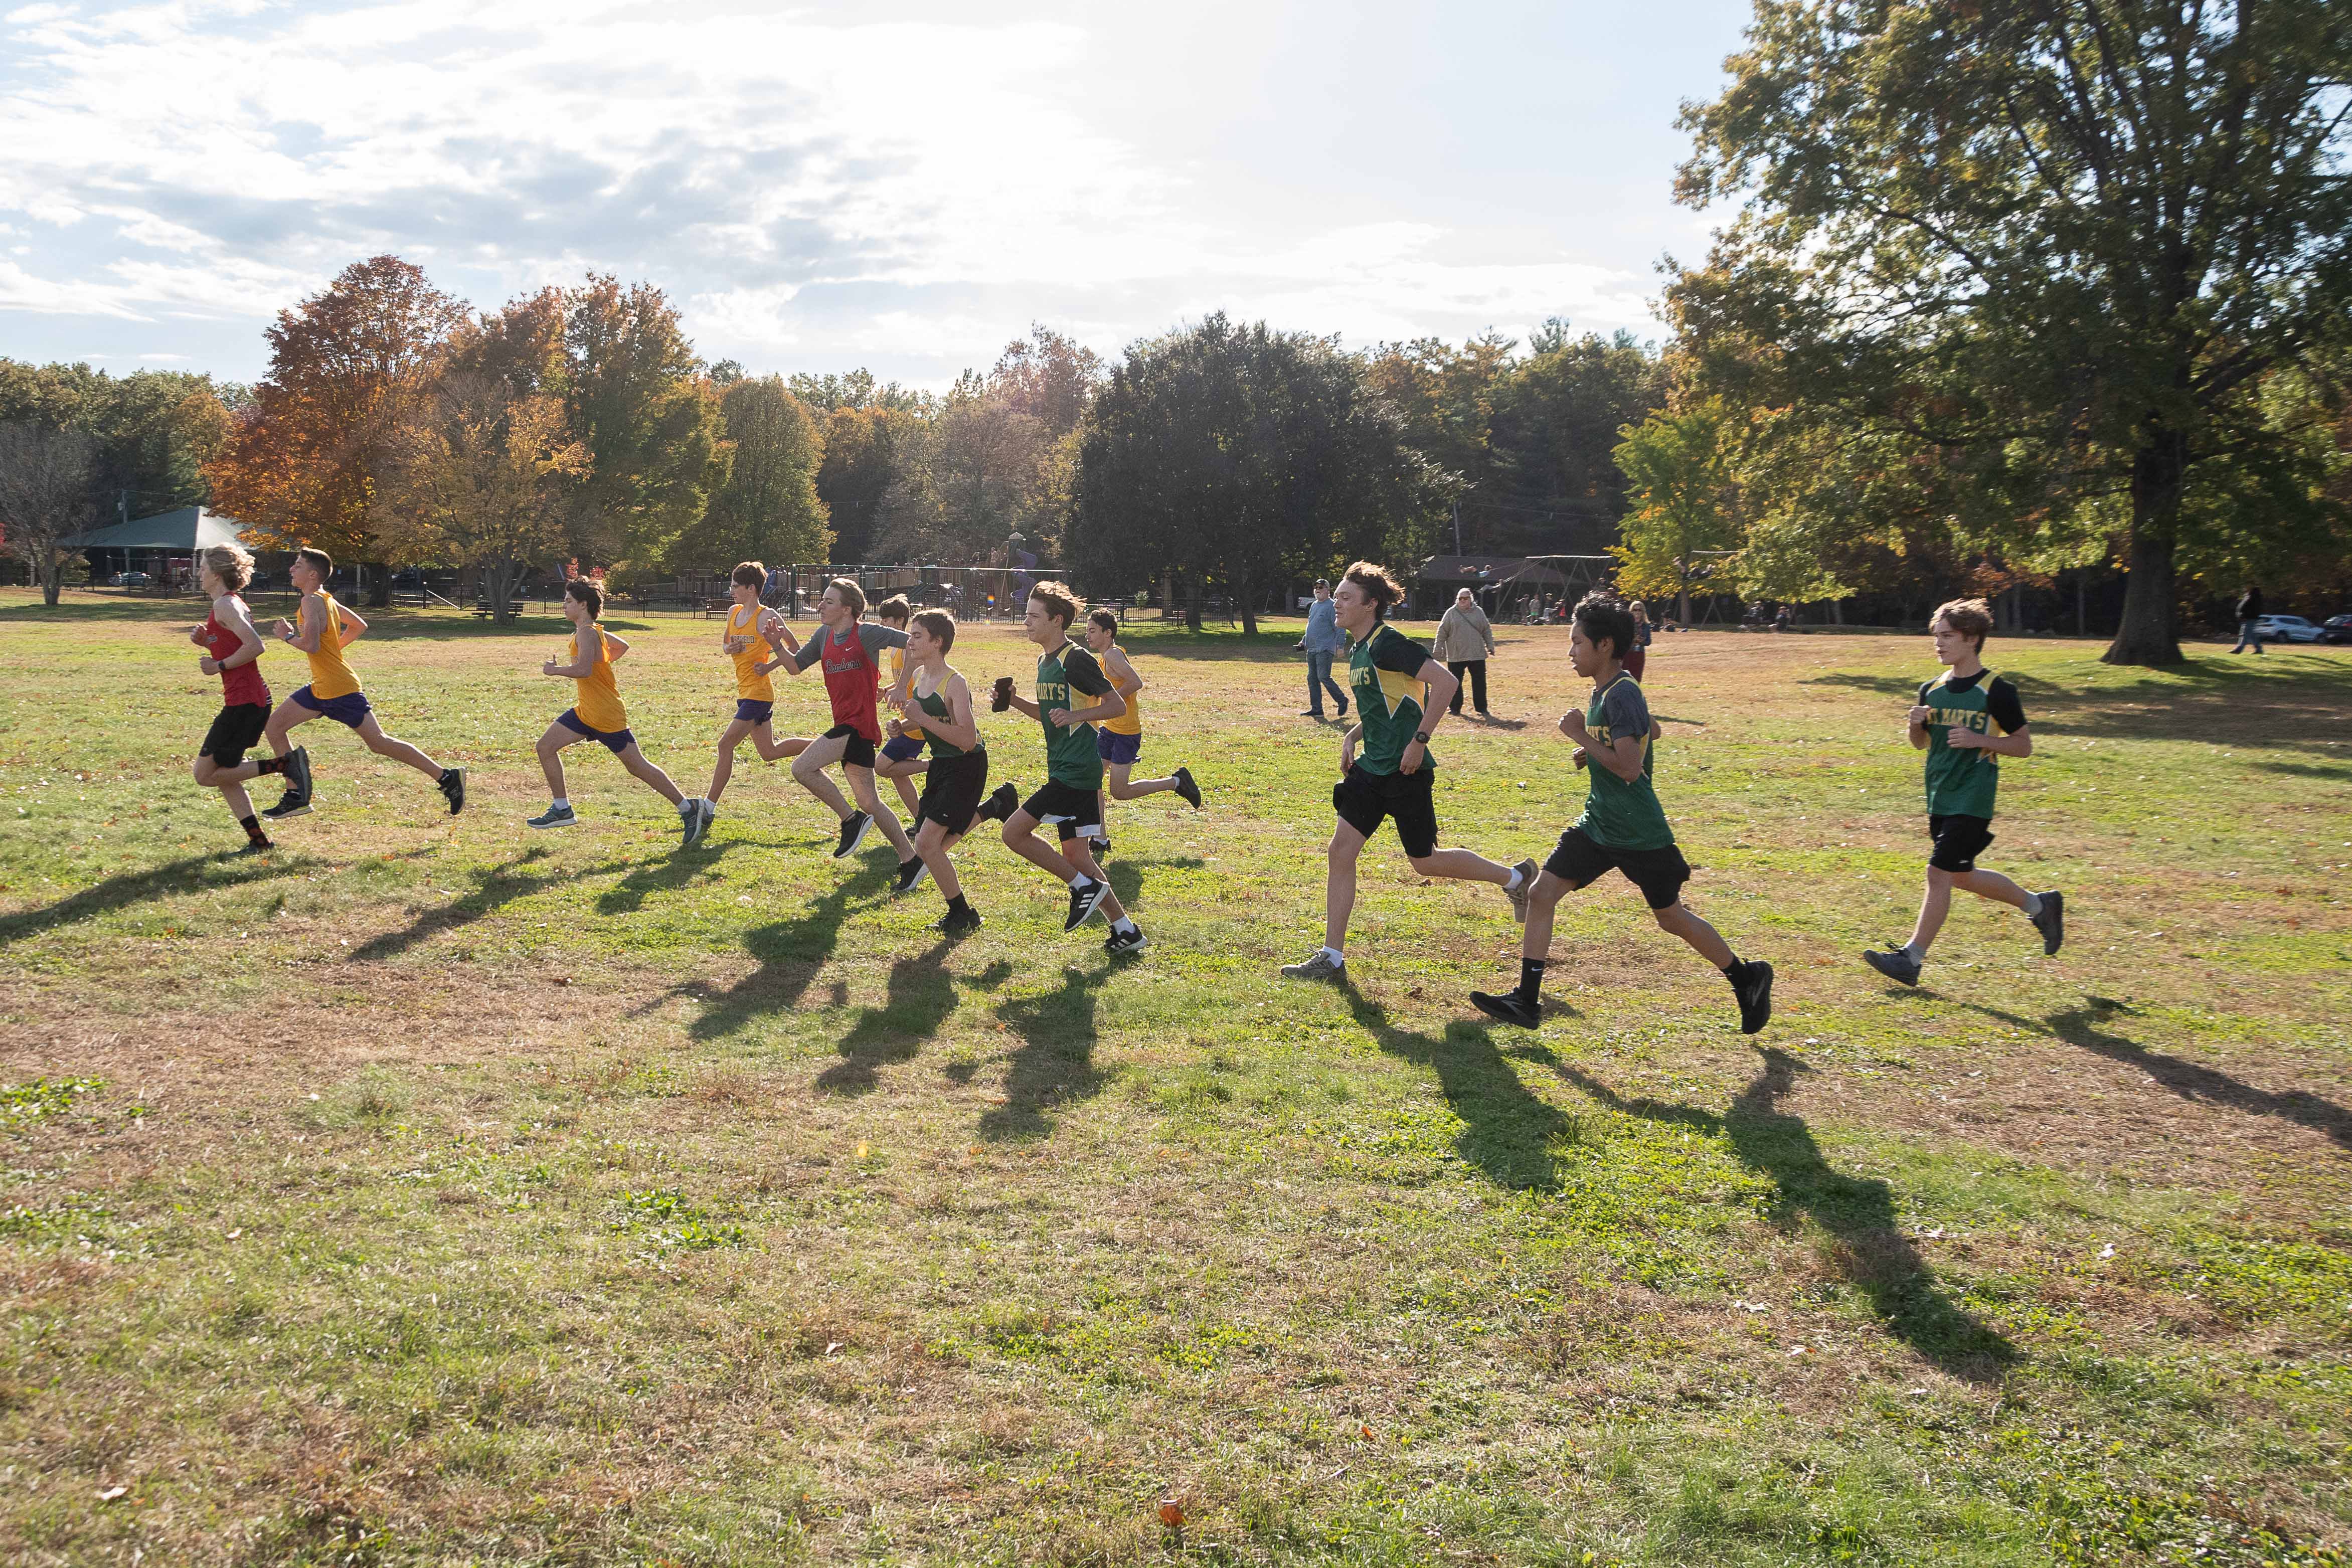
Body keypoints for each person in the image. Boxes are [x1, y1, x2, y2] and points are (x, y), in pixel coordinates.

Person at [1468, 592, 1774, 1032]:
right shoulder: (1610, 691)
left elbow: (1630, 767)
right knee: (1540, 892)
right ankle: (1527, 1001)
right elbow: (1652, 731)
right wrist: (1591, 750)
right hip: (1599, 824)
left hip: (1639, 832)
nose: (1570, 652)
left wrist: (1580, 735)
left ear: (1605, 645)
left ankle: (1747, 977)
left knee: (1671, 917)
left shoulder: (1621, 693)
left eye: (1576, 643)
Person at [1280, 562, 1535, 983]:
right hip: (1371, 770)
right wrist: (1353, 737)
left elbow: (1446, 684)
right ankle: (1332, 958)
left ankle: (1515, 877)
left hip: (1405, 771)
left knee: (1425, 862)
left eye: (1345, 598)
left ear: (1371, 604)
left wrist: (1420, 741)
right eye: (1337, 596)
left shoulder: (1388, 643)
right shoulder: (1360, 648)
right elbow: (1389, 701)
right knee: (1340, 851)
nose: (1336, 604)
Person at [1862, 598, 2064, 986]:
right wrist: (1915, 725)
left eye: (1948, 636)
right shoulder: (1931, 690)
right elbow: (1920, 745)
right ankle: (2040, 905)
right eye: (1936, 637)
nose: (1939, 644)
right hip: (1940, 797)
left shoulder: (1997, 691)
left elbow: (2023, 746)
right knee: (1961, 876)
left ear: (1972, 639)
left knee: (1937, 873)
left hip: (1973, 800)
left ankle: (1911, 958)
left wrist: (1977, 739)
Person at [996, 582, 1148, 956]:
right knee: (1079, 856)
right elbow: (1051, 717)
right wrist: (1014, 700)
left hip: (1078, 770)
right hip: (1063, 767)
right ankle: (1126, 929)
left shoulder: (1075, 659)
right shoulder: (1045, 661)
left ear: (1056, 620)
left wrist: (1077, 715)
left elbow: (1116, 706)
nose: (1026, 622)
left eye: (1034, 616)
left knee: (1013, 833)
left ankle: (1082, 887)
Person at [259, 547, 462, 821]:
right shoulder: (326, 599)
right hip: (324, 686)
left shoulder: (311, 601)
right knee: (275, 726)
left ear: (312, 574)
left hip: (338, 689)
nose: (291, 570)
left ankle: (447, 777)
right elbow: (359, 626)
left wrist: (287, 636)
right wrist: (334, 653)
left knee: (379, 743)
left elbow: (311, 645)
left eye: (297, 565)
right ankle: (296, 794)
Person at [529, 579, 704, 842]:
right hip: (587, 711)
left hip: (605, 714)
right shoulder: (590, 631)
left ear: (583, 604)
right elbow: (622, 646)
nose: (563, 606)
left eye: (568, 602)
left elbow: (584, 670)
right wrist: (602, 660)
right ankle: (562, 808)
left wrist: (555, 671)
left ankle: (689, 809)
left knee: (638, 767)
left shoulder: (587, 632)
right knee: (545, 747)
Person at [771, 577, 922, 881]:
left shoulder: (867, 633)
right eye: (822, 600)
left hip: (859, 726)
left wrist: (903, 686)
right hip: (845, 725)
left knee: (802, 768)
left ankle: (850, 821)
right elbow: (795, 667)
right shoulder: (823, 636)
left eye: (828, 601)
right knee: (871, 802)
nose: (820, 606)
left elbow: (912, 644)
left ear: (848, 608)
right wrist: (776, 645)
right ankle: (912, 860)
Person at [187, 543, 300, 852]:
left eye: (204, 568)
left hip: (245, 703)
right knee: (225, 774)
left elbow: (255, 646)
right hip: (246, 700)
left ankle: (284, 765)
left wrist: (216, 666)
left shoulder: (226, 605)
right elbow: (235, 645)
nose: (199, 573)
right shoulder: (226, 604)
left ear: (218, 573)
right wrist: (208, 643)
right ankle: (258, 841)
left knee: (205, 775)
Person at [893, 610, 990, 929]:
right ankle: (996, 806)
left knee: (925, 843)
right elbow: (930, 723)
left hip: (965, 765)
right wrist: (904, 726)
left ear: (938, 642)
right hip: (941, 764)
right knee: (928, 841)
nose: (910, 641)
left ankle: (962, 913)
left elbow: (965, 738)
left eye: (918, 635)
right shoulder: (923, 677)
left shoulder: (955, 682)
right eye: (911, 634)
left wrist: (920, 720)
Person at [695, 561, 806, 829]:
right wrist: (729, 648)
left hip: (759, 693)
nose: (731, 590)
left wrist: (769, 665)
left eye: (736, 586)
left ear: (751, 588)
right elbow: (725, 644)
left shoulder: (767, 617)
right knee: (769, 752)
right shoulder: (733, 612)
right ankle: (827, 747)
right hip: (745, 691)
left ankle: (708, 807)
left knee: (725, 745)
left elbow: (796, 649)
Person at [1082, 608, 1202, 855]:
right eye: (1087, 631)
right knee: (1091, 779)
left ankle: (1177, 782)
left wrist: (1111, 701)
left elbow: (1136, 682)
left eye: (1093, 631)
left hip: (1126, 732)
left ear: (1108, 632)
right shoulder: (1105, 657)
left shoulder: (1114, 655)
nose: (1088, 636)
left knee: (1120, 792)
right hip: (1110, 729)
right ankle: (1100, 838)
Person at [871, 595, 929, 827]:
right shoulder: (895, 649)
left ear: (900, 621)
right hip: (909, 718)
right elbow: (903, 682)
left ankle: (934, 765)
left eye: (887, 620)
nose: (882, 623)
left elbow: (919, 682)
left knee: (883, 766)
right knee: (897, 772)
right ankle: (921, 819)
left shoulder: (909, 649)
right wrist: (887, 689)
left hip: (916, 721)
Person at [1432, 587, 1497, 717]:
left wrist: (1490, 646)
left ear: (1471, 599)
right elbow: (1442, 632)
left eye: (1465, 598)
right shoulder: (1451, 613)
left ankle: (1482, 709)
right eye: (1460, 598)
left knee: (1479, 683)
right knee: (1455, 683)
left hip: (1477, 654)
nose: (1462, 601)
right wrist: (1437, 647)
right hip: (1456, 655)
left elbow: (1486, 630)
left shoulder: (1479, 612)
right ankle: (1455, 709)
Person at [1299, 578, 1350, 719]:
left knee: (1323, 677)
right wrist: (1304, 641)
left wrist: (1340, 646)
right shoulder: (1314, 605)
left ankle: (1342, 700)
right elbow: (1311, 625)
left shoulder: (1332, 606)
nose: (1318, 590)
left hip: (1325, 649)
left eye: (1321, 587)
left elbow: (1340, 627)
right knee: (1312, 679)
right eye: (1316, 587)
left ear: (1328, 590)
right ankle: (1317, 709)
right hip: (1312, 649)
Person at [2231, 585, 2265, 654]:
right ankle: (2259, 650)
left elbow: (2252, 609)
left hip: (2250, 618)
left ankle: (2239, 649)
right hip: (2247, 618)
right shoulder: (2250, 596)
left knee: (2245, 634)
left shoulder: (2254, 598)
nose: (2246, 589)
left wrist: (2244, 615)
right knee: (2252, 636)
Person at [1625, 600, 1653, 681]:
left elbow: (1649, 642)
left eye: (1640, 610)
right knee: (1626, 678)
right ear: (1631, 611)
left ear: (1643, 612)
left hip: (1640, 654)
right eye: (1635, 610)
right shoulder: (1628, 624)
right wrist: (1633, 640)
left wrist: (1642, 642)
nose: (1637, 612)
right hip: (1628, 654)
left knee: (1637, 678)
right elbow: (1623, 639)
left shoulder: (1646, 626)